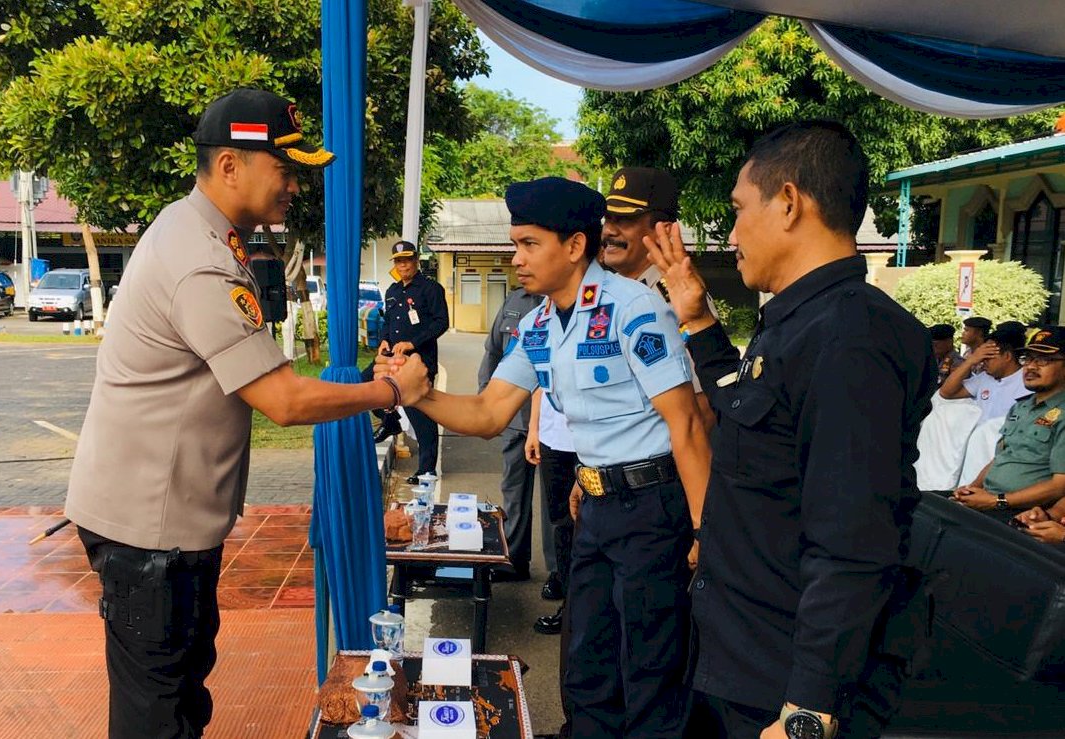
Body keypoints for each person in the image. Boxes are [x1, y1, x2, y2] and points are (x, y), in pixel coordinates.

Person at [63, 88, 430, 739]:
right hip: (148, 532)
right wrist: (389, 392)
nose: (293, 183)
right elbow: (281, 398)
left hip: (163, 524)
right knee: (157, 712)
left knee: (178, 693)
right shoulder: (200, 261)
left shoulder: (203, 236)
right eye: (282, 167)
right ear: (229, 165)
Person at [378, 176, 711, 737]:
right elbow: (487, 414)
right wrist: (420, 395)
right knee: (588, 666)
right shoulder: (537, 327)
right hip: (597, 511)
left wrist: (707, 531)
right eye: (515, 244)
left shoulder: (632, 309)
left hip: (655, 508)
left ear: (575, 245)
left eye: (529, 244)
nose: (517, 258)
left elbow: (688, 426)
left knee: (651, 669)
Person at [647, 120, 936, 739]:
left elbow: (853, 540)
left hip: (784, 682)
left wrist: (809, 708)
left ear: (787, 202)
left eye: (737, 209)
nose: (731, 234)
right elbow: (751, 414)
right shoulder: (799, 322)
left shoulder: (851, 338)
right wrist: (698, 323)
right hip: (739, 652)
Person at [601, 165, 717, 429]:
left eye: (625, 220)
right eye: (608, 219)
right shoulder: (610, 293)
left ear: (662, 230)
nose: (609, 231)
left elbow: (704, 404)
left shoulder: (674, 299)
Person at [953, 326, 1065, 513]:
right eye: (1027, 358)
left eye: (1043, 360)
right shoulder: (1021, 407)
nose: (1030, 366)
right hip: (990, 499)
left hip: (1021, 511)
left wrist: (998, 501)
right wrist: (970, 489)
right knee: (922, 504)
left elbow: (1059, 486)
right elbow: (1001, 457)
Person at [477, 286, 544, 580]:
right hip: (515, 417)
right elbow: (493, 352)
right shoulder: (514, 300)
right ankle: (514, 560)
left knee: (555, 502)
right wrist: (485, 400)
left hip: (552, 422)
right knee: (514, 491)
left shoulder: (569, 300)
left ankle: (558, 573)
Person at [379, 239, 449, 484]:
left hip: (420, 361)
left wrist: (412, 343)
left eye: (407, 260)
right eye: (398, 261)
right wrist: (384, 340)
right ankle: (391, 421)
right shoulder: (393, 291)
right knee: (366, 384)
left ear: (416, 261)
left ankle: (427, 469)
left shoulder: (431, 289)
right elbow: (388, 322)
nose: (403, 265)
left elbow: (441, 323)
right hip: (393, 359)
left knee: (420, 412)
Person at [526, 389, 578, 634]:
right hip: (552, 440)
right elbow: (539, 381)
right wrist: (534, 429)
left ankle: (586, 609)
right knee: (562, 526)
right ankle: (570, 609)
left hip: (593, 444)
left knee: (588, 529)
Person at [939, 321, 1030, 422]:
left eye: (987, 357)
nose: (982, 361)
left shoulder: (1028, 382)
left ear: (1007, 356)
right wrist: (970, 361)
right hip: (980, 436)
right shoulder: (984, 378)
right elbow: (946, 393)